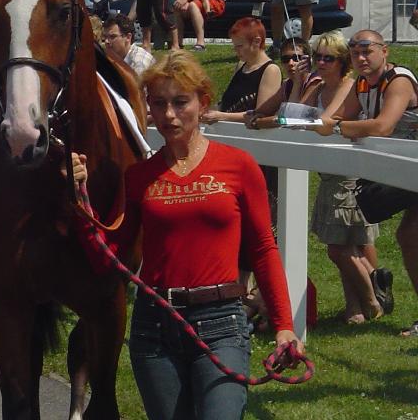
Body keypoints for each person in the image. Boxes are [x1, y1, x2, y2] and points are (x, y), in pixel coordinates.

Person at [125, 50, 303, 419]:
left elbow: (263, 248)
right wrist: (78, 198)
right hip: (154, 323)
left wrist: (285, 325)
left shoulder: (238, 166)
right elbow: (113, 253)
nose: (169, 115)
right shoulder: (139, 177)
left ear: (203, 103)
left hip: (221, 322)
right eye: (159, 104)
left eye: (180, 102)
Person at [313, 30, 418, 337]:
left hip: (410, 169)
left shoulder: (398, 80)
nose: (361, 58)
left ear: (384, 51)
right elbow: (326, 123)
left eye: (367, 51)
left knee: (410, 235)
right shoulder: (360, 84)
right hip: (405, 172)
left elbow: (383, 125)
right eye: (355, 52)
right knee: (409, 236)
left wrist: (341, 126)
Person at [300, 31, 385, 324]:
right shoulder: (316, 86)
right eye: (317, 57)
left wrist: (313, 121)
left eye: (328, 58)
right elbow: (296, 115)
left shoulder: (349, 85)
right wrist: (301, 81)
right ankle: (357, 307)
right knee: (346, 243)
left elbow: (325, 122)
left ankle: (373, 299)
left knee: (343, 246)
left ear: (342, 61)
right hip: (328, 171)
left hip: (348, 171)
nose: (321, 63)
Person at [202, 17, 281, 123]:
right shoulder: (241, 65)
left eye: (240, 46)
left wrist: (222, 116)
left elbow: (261, 114)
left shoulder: (271, 70)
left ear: (257, 42)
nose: (236, 51)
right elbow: (227, 101)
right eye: (234, 46)